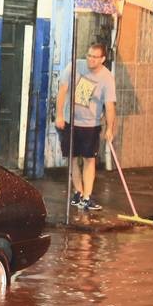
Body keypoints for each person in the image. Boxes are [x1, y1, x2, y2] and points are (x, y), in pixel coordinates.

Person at [55, 43, 117, 211]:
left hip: (91, 124)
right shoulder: (75, 66)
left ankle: (87, 197)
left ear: (103, 59)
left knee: (89, 160)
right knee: (73, 158)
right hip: (71, 122)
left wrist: (110, 128)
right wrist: (59, 115)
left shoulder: (106, 77)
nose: (90, 59)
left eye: (95, 57)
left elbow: (110, 105)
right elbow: (62, 90)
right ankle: (78, 192)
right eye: (89, 55)